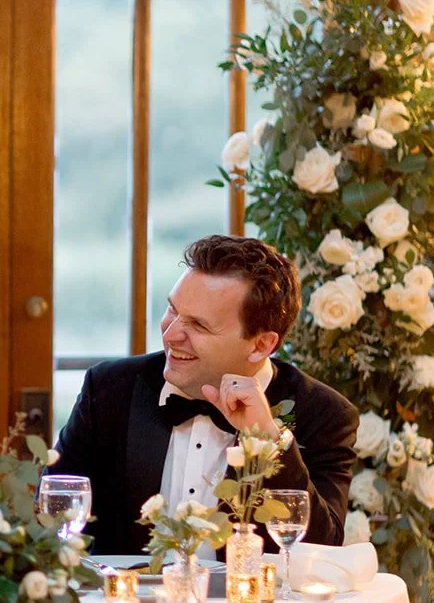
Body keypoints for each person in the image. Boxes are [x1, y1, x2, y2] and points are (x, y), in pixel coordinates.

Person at [54, 234, 357, 556]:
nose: (170, 335)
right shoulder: (109, 389)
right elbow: (54, 514)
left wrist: (269, 439)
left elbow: (321, 550)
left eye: (198, 326)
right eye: (172, 310)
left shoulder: (324, 413)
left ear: (260, 345)